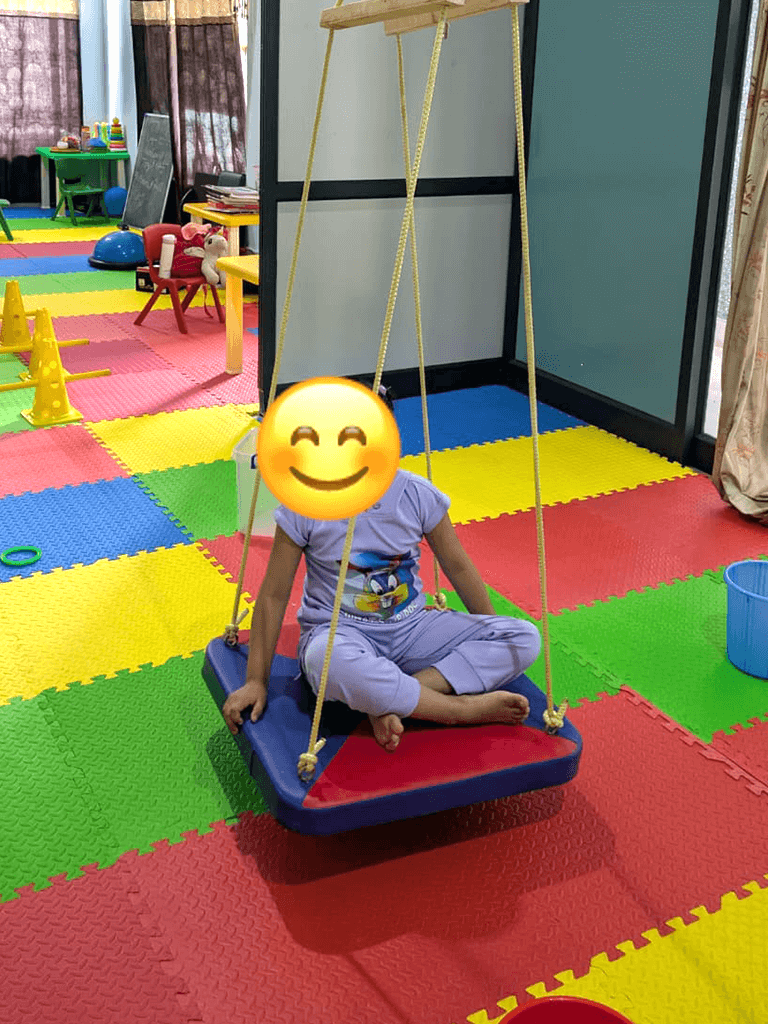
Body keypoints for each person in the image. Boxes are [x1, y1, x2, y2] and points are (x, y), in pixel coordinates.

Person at [222, 388, 541, 751]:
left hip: (414, 628)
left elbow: (459, 567)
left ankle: (392, 699)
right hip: (341, 634)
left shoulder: (417, 495)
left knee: (524, 638)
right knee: (325, 664)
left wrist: (488, 632)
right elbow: (273, 594)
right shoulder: (305, 503)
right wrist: (256, 681)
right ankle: (456, 710)